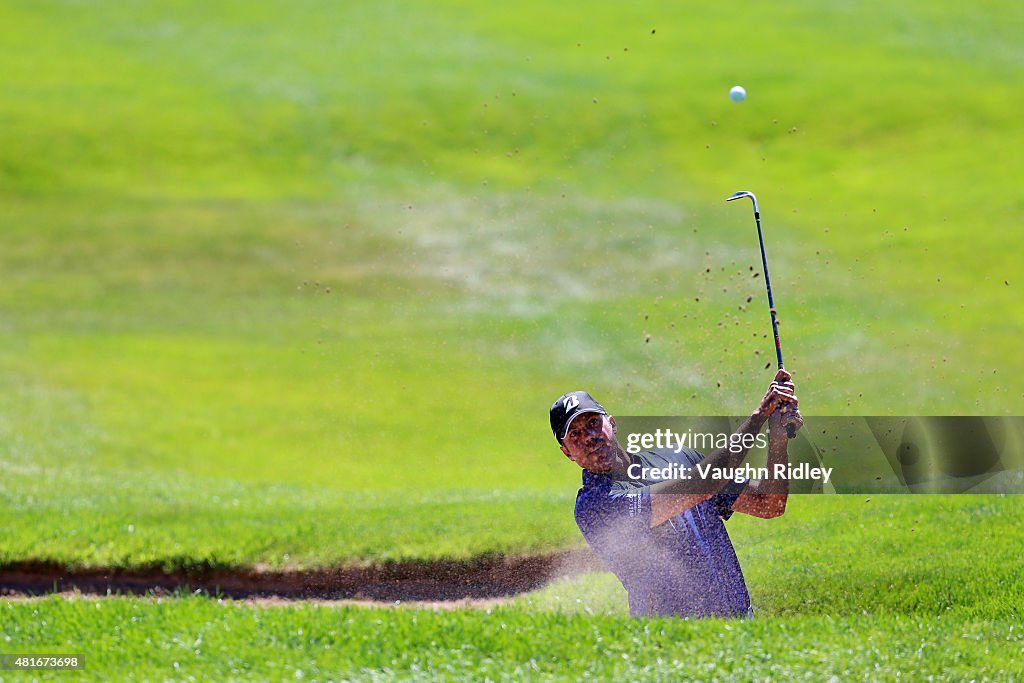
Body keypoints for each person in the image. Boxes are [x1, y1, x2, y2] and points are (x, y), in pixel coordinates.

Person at [550, 370, 802, 618]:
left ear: (612, 423)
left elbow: (769, 505)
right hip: (674, 639)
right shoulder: (594, 505)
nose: (590, 438)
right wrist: (758, 417)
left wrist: (778, 440)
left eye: (593, 423)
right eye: (575, 434)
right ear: (567, 452)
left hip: (740, 625)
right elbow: (700, 486)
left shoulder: (678, 457)